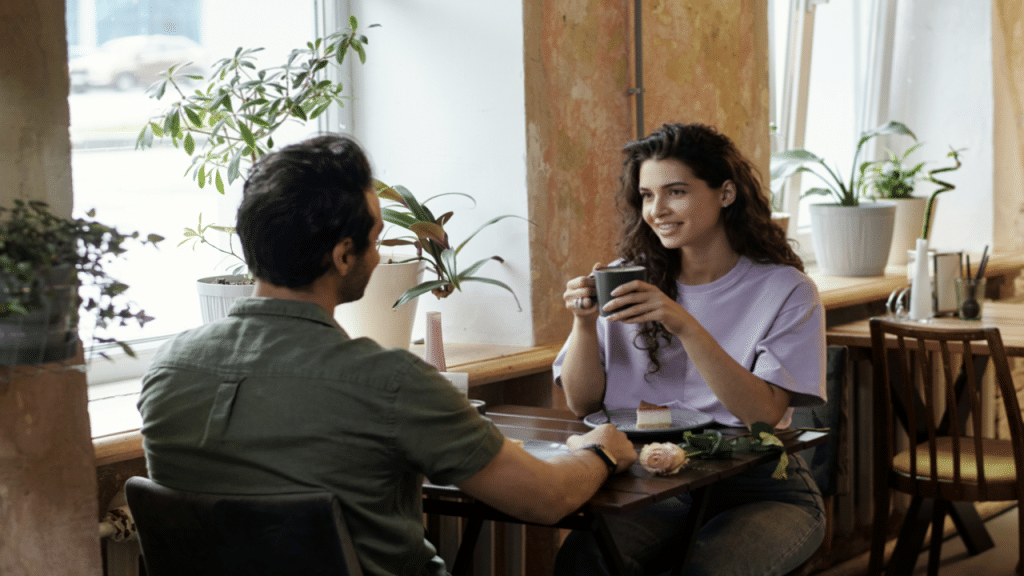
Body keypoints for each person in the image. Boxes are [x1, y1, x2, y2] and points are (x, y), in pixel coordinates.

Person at [136, 134, 637, 576]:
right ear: (342, 255)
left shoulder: (168, 368)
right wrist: (598, 452)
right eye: (376, 241)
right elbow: (546, 499)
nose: (380, 257)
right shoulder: (388, 381)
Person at [553, 123, 827, 576]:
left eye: (675, 191)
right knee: (584, 561)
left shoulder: (786, 290)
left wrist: (682, 322)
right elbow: (582, 402)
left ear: (725, 193)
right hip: (650, 484)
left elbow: (760, 416)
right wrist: (584, 324)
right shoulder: (627, 281)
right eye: (646, 196)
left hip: (757, 486)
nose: (657, 210)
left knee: (710, 570)